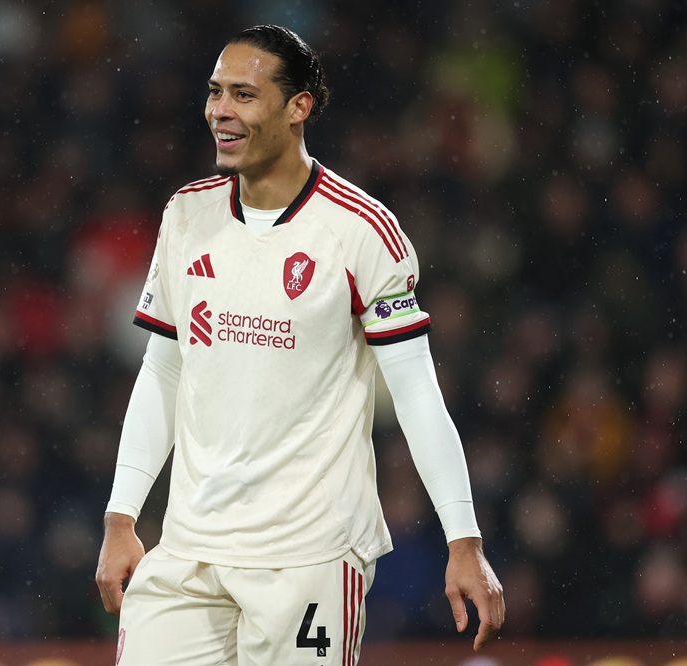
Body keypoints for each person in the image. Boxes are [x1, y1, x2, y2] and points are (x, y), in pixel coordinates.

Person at [95, 24, 504, 665]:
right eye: (214, 93)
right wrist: (122, 518)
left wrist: (463, 538)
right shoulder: (185, 216)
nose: (220, 111)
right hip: (189, 550)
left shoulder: (360, 231)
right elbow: (163, 374)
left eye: (243, 95)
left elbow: (419, 393)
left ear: (298, 107)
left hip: (309, 558)